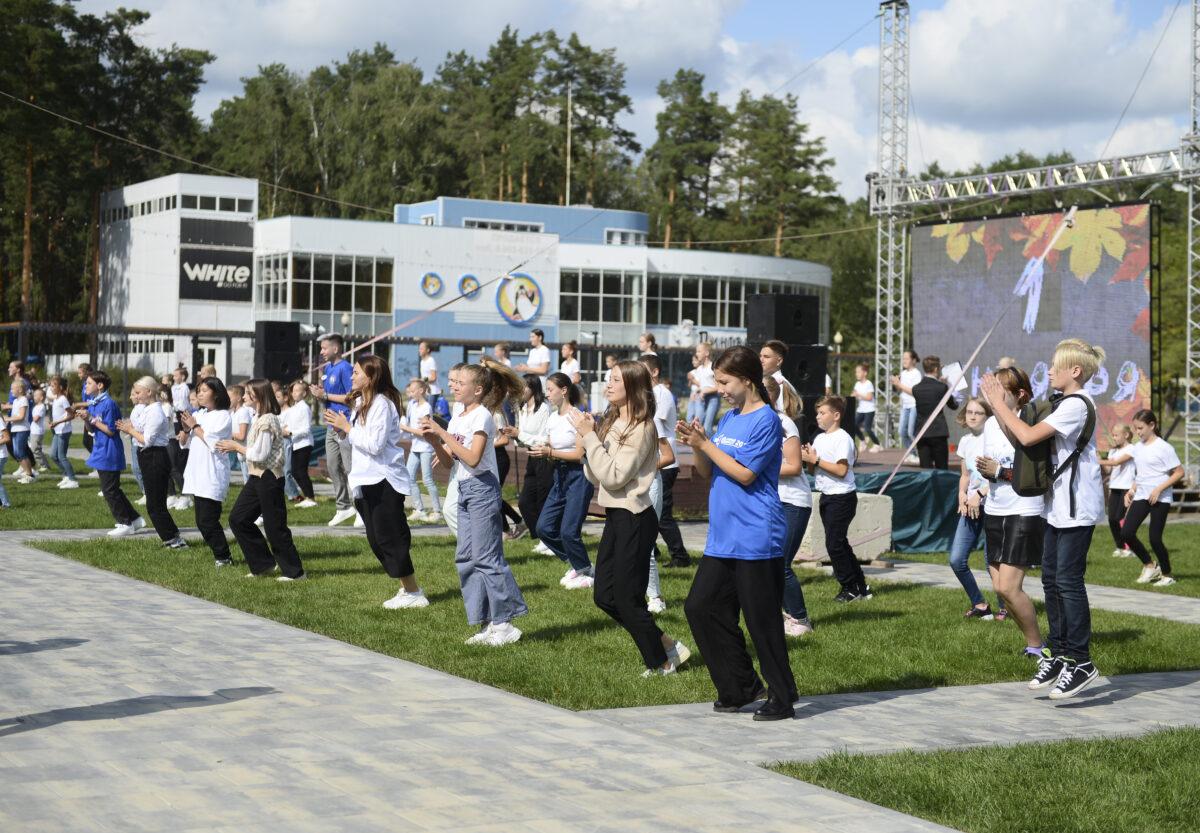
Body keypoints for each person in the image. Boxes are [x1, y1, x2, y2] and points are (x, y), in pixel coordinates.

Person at [982, 340, 1106, 699]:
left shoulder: (1077, 405)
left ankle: (1081, 659)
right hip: (1056, 508)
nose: (1048, 371)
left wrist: (998, 406)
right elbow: (1022, 441)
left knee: (1068, 582)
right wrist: (1000, 410)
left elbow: (1028, 434)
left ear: (1075, 372)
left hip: (1076, 507)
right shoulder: (1062, 403)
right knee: (1051, 581)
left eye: (1055, 366)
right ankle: (1060, 651)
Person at [679, 345, 797, 721]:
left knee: (761, 622)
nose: (721, 389)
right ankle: (740, 686)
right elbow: (706, 471)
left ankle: (782, 696)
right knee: (700, 607)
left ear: (747, 380)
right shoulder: (729, 419)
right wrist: (698, 446)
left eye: (725, 381)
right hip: (724, 536)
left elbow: (745, 474)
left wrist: (706, 446)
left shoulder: (767, 421)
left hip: (756, 536)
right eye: (717, 381)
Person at [576, 359, 691, 676]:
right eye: (607, 379)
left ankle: (661, 662)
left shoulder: (643, 428)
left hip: (636, 519)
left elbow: (613, 477)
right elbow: (596, 474)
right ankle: (667, 644)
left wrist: (589, 440)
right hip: (616, 516)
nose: (608, 384)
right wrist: (587, 441)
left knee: (627, 599)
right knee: (604, 596)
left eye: (614, 379)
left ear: (633, 387)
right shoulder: (612, 423)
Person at [422, 358, 529, 645]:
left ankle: (505, 623)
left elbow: (472, 457)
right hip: (466, 488)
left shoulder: (482, 416)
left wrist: (443, 433)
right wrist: (435, 442)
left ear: (478, 389)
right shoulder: (459, 415)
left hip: (482, 488)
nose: (454, 386)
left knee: (487, 557)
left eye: (461, 383)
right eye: (454, 382)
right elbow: (450, 462)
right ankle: (485, 623)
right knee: (465, 558)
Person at [217, 379, 305, 581]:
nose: (244, 396)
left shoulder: (268, 420)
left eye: (248, 393)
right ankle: (263, 564)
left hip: (270, 478)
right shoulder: (258, 417)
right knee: (238, 519)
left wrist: (236, 447)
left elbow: (260, 454)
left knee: (275, 528)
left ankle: (295, 572)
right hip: (257, 478)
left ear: (257, 395)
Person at [801, 396, 871, 603]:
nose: (818, 417)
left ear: (836, 415)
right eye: (817, 413)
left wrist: (817, 460)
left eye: (822, 413)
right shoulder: (820, 438)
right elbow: (814, 471)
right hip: (827, 496)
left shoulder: (843, 438)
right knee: (840, 543)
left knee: (834, 545)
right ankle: (861, 586)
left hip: (842, 497)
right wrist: (809, 458)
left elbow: (841, 470)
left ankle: (849, 588)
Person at [530, 372, 595, 588]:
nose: (546, 394)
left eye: (550, 389)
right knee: (544, 528)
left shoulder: (577, 417)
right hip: (559, 475)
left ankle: (586, 572)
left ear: (564, 390)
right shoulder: (552, 418)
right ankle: (579, 565)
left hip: (578, 476)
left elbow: (579, 455)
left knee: (569, 531)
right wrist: (541, 450)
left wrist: (549, 452)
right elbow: (550, 446)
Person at [763, 376, 814, 637]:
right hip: (772, 501)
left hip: (793, 502)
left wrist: (758, 469)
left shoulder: (784, 424)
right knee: (768, 563)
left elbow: (794, 467)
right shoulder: (755, 422)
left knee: (781, 563)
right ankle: (784, 616)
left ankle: (801, 619)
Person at [117, 377, 185, 549]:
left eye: (139, 392)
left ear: (149, 391)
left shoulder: (155, 411)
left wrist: (130, 430)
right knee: (155, 503)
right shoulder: (146, 409)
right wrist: (130, 427)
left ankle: (173, 540)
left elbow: (147, 439)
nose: (136, 396)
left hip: (155, 456)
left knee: (154, 505)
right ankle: (172, 536)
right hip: (148, 456)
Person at [1118, 410, 1183, 587]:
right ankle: (1149, 565)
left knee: (1155, 538)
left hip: (1160, 497)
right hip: (1141, 495)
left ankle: (1167, 575)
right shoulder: (1138, 448)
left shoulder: (1164, 447)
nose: (1137, 432)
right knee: (1126, 533)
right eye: (1135, 428)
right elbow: (1141, 474)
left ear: (1152, 425)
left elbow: (1179, 473)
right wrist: (1131, 491)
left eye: (1140, 428)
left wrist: (1159, 489)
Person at [78, 371, 144, 537]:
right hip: (100, 449)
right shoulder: (92, 403)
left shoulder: (109, 404)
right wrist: (86, 419)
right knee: (113, 489)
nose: (86, 386)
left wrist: (92, 418)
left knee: (109, 491)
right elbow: (92, 429)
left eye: (89, 383)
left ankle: (125, 523)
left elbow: (111, 431)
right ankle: (135, 519)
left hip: (110, 451)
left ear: (100, 386)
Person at [641, 354, 690, 569]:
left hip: (665, 462)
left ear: (654, 372)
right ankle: (653, 548)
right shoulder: (648, 393)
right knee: (651, 511)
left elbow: (654, 423)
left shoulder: (661, 393)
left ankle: (680, 556)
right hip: (654, 459)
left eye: (643, 369)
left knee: (662, 515)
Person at [178, 377, 234, 566]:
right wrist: (186, 429)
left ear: (216, 394)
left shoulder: (223, 416)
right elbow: (184, 442)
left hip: (212, 474)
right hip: (197, 473)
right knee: (202, 521)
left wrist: (194, 426)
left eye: (204, 391)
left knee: (208, 520)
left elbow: (212, 441)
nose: (199, 394)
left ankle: (224, 557)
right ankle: (221, 555)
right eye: (198, 391)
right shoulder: (200, 414)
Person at [951, 396, 996, 619]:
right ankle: (980, 604)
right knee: (957, 560)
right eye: (969, 411)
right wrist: (962, 495)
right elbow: (965, 475)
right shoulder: (966, 441)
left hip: (993, 504)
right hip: (970, 505)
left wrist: (979, 494)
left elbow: (998, 476)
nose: (972, 416)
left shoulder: (994, 440)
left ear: (987, 417)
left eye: (978, 412)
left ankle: (1007, 607)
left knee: (992, 562)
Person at [309, 334, 357, 527]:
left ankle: (360, 507)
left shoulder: (346, 368)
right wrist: (319, 395)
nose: (321, 352)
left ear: (335, 349)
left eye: (324, 348)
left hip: (343, 424)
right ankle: (343, 507)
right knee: (332, 466)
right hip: (330, 424)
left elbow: (352, 397)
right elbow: (329, 397)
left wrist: (326, 394)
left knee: (350, 467)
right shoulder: (327, 368)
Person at [506, 374, 553, 555]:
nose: (520, 391)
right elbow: (523, 439)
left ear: (532, 388)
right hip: (532, 457)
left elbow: (543, 438)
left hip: (545, 457)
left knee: (543, 500)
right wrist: (515, 434)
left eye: (523, 387)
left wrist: (519, 434)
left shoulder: (544, 409)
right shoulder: (523, 408)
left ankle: (548, 540)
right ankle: (540, 535)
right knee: (525, 502)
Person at [398, 378, 441, 522]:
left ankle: (437, 511)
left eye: (412, 391)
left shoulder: (426, 407)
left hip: (426, 447)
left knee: (427, 479)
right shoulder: (411, 404)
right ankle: (419, 509)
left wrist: (404, 428)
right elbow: (410, 424)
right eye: (409, 391)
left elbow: (423, 432)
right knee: (409, 477)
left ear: (421, 391)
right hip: (415, 447)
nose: (409, 394)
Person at [911, 356, 956, 469]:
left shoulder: (916, 388)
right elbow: (953, 405)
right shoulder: (942, 387)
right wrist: (948, 386)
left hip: (922, 432)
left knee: (925, 468)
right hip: (938, 432)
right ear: (936, 369)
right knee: (942, 467)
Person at [1098, 424, 1136, 558]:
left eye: (1116, 435)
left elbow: (1116, 463)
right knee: (1112, 519)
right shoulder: (1113, 451)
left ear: (1125, 435)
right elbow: (1109, 469)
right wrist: (1099, 458)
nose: (1114, 438)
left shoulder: (1132, 449)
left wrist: (1098, 461)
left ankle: (1128, 548)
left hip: (1126, 487)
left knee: (1121, 518)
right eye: (1112, 435)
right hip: (1114, 487)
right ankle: (1119, 546)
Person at [281, 380, 317, 508]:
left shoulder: (304, 408)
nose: (294, 393)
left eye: (297, 391)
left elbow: (306, 429)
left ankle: (311, 498)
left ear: (304, 393)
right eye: (293, 390)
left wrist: (289, 432)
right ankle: (307, 496)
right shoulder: (294, 408)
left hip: (304, 444)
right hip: (296, 443)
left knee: (300, 471)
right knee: (296, 472)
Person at [890, 349, 922, 461]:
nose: (904, 361)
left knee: (911, 432)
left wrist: (899, 384)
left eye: (906, 358)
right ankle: (912, 453)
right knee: (902, 432)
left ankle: (918, 454)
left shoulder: (917, 374)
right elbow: (900, 389)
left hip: (914, 405)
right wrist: (895, 383)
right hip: (905, 406)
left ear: (913, 360)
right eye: (903, 358)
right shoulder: (903, 373)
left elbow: (914, 391)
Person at [47, 375, 78, 489]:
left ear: (60, 387)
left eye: (53, 385)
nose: (51, 387)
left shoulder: (63, 399)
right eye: (50, 385)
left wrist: (58, 422)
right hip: (57, 430)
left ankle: (73, 480)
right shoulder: (56, 399)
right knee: (53, 456)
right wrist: (53, 422)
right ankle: (66, 475)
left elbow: (71, 415)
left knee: (61, 456)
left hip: (64, 431)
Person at [168, 365, 192, 507]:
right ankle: (172, 494)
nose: (174, 377)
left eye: (176, 375)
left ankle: (185, 493)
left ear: (182, 377)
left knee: (178, 458)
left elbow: (182, 405)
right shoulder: (173, 388)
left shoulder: (184, 388)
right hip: (174, 419)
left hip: (180, 419)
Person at [758, 340, 798, 411]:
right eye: (760, 356)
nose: (761, 360)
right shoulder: (762, 381)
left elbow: (782, 414)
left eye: (766, 357)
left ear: (779, 361)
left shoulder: (781, 384)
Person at [850, 363, 881, 454]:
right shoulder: (857, 384)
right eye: (856, 372)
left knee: (867, 428)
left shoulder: (869, 384)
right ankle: (863, 440)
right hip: (861, 409)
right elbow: (853, 394)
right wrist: (851, 396)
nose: (857, 374)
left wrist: (858, 394)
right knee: (853, 425)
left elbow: (869, 397)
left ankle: (877, 444)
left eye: (859, 372)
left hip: (869, 410)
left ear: (865, 373)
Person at [8, 379, 35, 483]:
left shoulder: (23, 399)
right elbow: (15, 414)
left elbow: (21, 416)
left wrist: (7, 419)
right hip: (15, 429)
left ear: (19, 390)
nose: (11, 391)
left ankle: (30, 474)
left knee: (21, 452)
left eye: (12, 389)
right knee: (16, 453)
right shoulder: (15, 401)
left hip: (22, 429)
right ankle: (26, 473)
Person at [690, 341, 719, 435]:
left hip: (712, 398)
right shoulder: (699, 369)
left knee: (707, 426)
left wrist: (706, 391)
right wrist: (696, 391)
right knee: (698, 424)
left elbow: (718, 387)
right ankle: (699, 447)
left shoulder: (712, 367)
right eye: (696, 351)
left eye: (699, 351)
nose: (696, 353)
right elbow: (701, 385)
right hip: (701, 399)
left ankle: (710, 447)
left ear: (706, 353)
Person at [228, 384, 253, 485]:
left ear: (238, 398)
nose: (227, 400)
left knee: (250, 483)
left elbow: (242, 436)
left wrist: (229, 434)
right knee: (247, 482)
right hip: (241, 453)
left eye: (229, 397)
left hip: (247, 452)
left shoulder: (243, 412)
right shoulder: (233, 413)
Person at [28, 387, 49, 472]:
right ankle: (45, 464)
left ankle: (43, 465)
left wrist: (29, 417)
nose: (34, 397)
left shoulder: (41, 407)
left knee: (35, 449)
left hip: (37, 431)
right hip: (33, 430)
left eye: (36, 395)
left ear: (41, 397)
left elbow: (36, 419)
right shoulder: (36, 406)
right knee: (37, 449)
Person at [418, 340, 441, 409]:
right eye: (419, 348)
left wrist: (421, 380)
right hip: (426, 391)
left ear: (427, 350)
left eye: (421, 348)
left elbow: (433, 378)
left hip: (433, 392)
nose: (419, 350)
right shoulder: (422, 361)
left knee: (429, 412)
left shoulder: (431, 360)